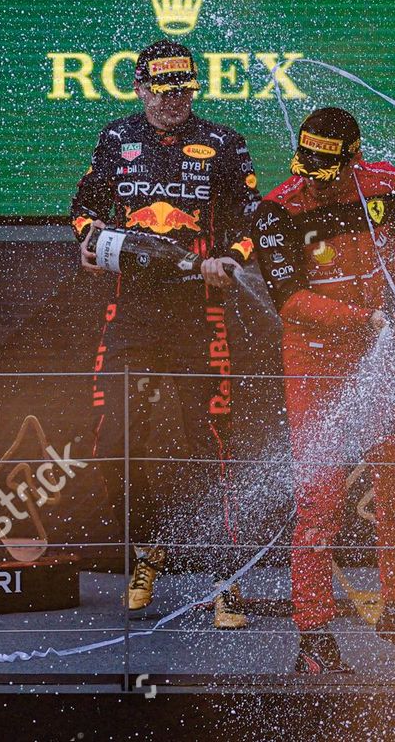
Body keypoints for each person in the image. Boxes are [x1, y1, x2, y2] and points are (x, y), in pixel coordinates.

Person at [257, 107, 395, 673]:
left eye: (326, 169)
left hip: (380, 360)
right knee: (320, 503)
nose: (312, 180)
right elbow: (290, 303)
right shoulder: (277, 207)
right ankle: (315, 637)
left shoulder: (386, 183)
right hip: (316, 365)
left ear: (353, 156)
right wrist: (367, 321)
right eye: (307, 166)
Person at [69, 38, 261, 628]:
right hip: (130, 315)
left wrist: (229, 259)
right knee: (114, 439)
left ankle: (226, 579)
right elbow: (81, 208)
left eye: (184, 87)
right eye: (162, 87)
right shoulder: (115, 139)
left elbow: (253, 219)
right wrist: (88, 242)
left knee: (212, 443)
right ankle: (148, 553)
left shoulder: (224, 142)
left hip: (200, 316)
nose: (173, 98)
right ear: (140, 87)